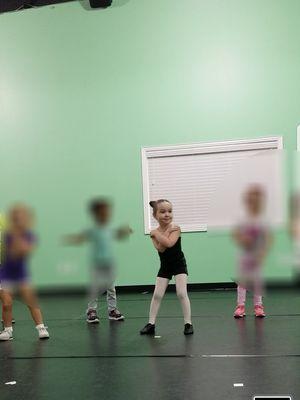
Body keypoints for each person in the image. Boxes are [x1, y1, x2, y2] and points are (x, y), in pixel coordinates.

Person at [64, 198, 132, 324]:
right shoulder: (92, 229)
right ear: (95, 214)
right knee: (95, 288)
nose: (105, 214)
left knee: (111, 288)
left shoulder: (109, 228)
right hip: (96, 264)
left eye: (107, 211)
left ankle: (112, 310)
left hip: (109, 263)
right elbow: (81, 238)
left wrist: (124, 231)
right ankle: (91, 311)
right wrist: (71, 239)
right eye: (102, 212)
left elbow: (118, 234)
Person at [140, 199, 193, 335]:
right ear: (155, 215)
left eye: (170, 211)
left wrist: (159, 234)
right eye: (163, 212)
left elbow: (169, 243)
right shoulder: (155, 232)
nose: (167, 214)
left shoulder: (176, 228)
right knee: (157, 294)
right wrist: (161, 233)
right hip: (165, 265)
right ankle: (151, 323)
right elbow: (160, 248)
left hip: (179, 264)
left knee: (181, 293)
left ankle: (188, 323)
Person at [0, 204, 49, 341]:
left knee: (31, 301)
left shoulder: (30, 235)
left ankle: (41, 327)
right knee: (6, 303)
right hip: (5, 272)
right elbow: (11, 250)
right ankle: (8, 331)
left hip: (21, 274)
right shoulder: (8, 235)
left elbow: (22, 252)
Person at [233, 185, 272, 318]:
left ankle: (258, 306)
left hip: (257, 255)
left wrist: (263, 253)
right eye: (250, 200)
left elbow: (267, 238)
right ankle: (240, 307)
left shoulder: (263, 219)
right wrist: (243, 239)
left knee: (257, 281)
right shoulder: (242, 218)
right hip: (244, 255)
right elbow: (236, 234)